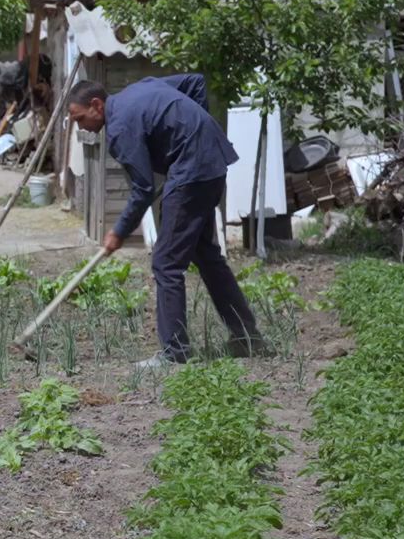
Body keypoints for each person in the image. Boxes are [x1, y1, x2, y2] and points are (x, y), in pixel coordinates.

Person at [66, 74, 267, 368]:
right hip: (211, 161)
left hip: (193, 171)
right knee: (206, 255)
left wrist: (118, 232)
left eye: (79, 118)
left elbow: (143, 188)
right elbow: (195, 82)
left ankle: (175, 352)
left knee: (166, 262)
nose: (80, 127)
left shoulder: (120, 129)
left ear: (96, 105)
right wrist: (199, 131)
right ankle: (247, 337)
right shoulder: (139, 87)